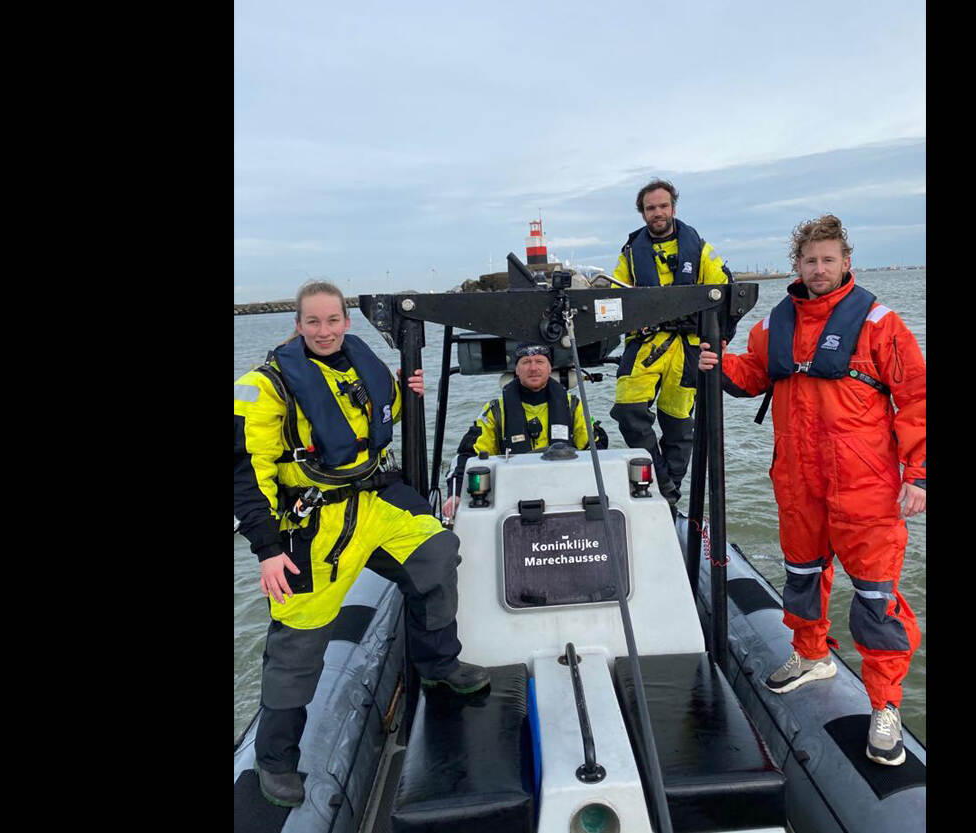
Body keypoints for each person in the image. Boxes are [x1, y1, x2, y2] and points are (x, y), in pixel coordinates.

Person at [234, 280, 489, 807]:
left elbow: (385, 408)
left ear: (346, 323)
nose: (324, 331)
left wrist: (408, 386)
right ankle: (275, 758)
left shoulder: (360, 366)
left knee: (437, 552)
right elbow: (245, 471)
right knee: (299, 639)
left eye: (333, 320)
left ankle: (438, 665)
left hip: (373, 502)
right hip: (315, 523)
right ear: (297, 325)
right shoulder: (264, 386)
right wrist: (268, 549)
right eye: (313, 322)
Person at [697, 214, 925, 766]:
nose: (819, 269)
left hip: (865, 486)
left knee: (875, 599)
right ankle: (810, 654)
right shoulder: (774, 325)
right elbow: (753, 374)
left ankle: (885, 705)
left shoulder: (880, 323)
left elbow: (917, 397)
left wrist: (918, 473)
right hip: (798, 480)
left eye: (828, 259)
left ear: (846, 262)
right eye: (809, 260)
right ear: (796, 266)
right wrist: (716, 363)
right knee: (800, 575)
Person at [608, 179, 731, 511]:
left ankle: (669, 496)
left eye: (663, 206)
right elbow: (615, 297)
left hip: (688, 348)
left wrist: (721, 339)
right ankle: (663, 482)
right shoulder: (631, 254)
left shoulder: (700, 249)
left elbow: (724, 292)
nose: (657, 212)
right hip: (646, 345)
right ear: (642, 213)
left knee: (678, 426)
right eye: (651, 208)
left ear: (673, 208)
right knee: (628, 412)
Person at [443, 342, 595, 518]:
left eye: (539, 361)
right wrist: (455, 494)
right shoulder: (495, 410)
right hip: (512, 498)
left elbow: (595, 450)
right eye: (526, 362)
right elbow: (468, 455)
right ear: (516, 369)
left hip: (566, 494)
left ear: (549, 368)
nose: (533, 368)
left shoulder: (574, 406)